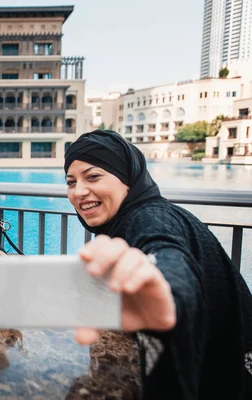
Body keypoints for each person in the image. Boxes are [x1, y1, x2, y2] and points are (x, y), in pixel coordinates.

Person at [64, 129, 252, 399]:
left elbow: (166, 254)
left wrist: (166, 288)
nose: (79, 192)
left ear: (128, 178)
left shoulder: (150, 218)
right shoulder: (136, 218)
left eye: (93, 176)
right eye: (71, 182)